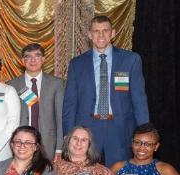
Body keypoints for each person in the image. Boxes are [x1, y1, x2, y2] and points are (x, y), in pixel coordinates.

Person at [62, 15, 149, 166]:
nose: (100, 35)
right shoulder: (77, 64)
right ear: (89, 34)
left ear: (113, 33)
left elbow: (139, 99)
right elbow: (70, 103)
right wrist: (68, 135)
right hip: (86, 131)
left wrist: (145, 133)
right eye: (96, 31)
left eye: (105, 31)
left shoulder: (131, 60)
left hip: (120, 129)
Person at [9, 43, 65, 160]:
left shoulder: (56, 84)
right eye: (28, 56)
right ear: (22, 61)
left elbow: (60, 118)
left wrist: (59, 148)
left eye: (37, 56)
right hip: (20, 144)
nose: (33, 60)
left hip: (48, 143)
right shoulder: (12, 85)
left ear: (43, 59)